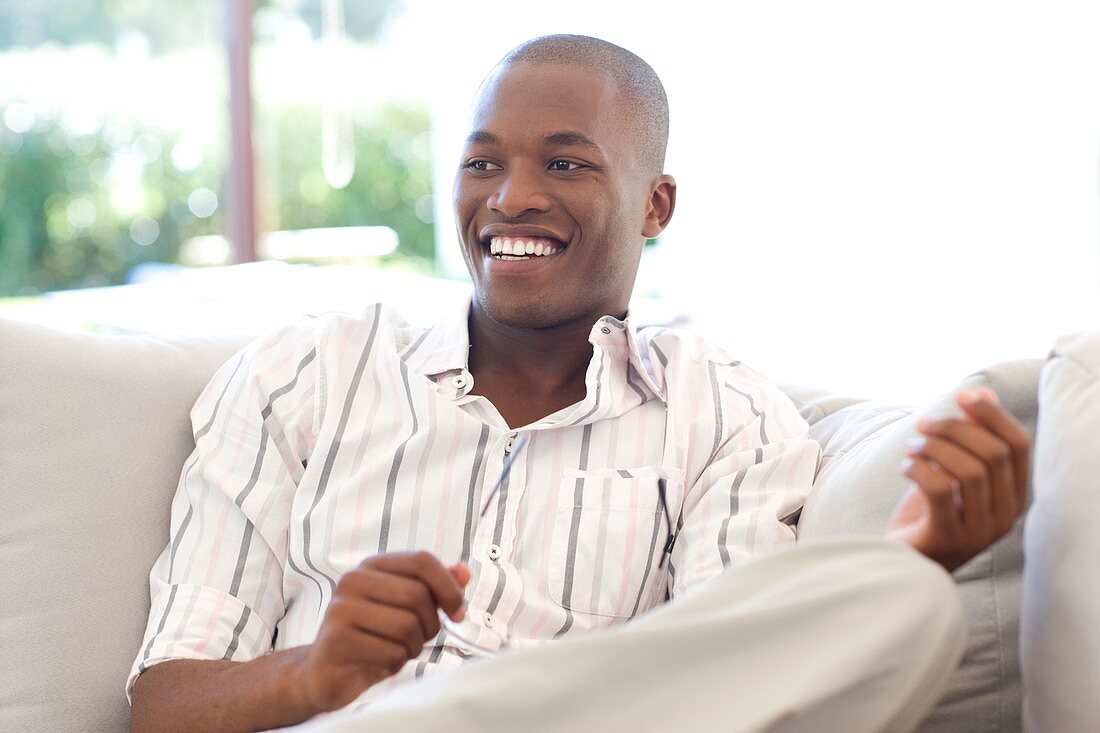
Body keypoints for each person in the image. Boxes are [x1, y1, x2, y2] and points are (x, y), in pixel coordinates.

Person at [127, 34, 1031, 733]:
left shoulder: (728, 416)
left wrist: (903, 568)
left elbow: (729, 686)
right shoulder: (304, 375)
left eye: (565, 163)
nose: (511, 197)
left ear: (655, 205)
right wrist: (314, 671)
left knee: (907, 608)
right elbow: (165, 703)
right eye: (483, 162)